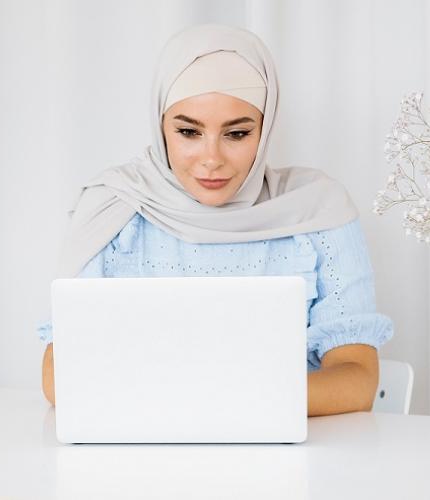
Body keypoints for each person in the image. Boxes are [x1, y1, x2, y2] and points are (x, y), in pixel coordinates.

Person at [37, 23, 394, 417]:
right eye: (189, 131)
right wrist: (229, 400)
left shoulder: (316, 210)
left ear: (265, 127)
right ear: (161, 127)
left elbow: (357, 379)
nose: (212, 159)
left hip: (289, 456)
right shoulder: (114, 207)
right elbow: (61, 378)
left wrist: (200, 403)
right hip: (139, 455)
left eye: (237, 134)